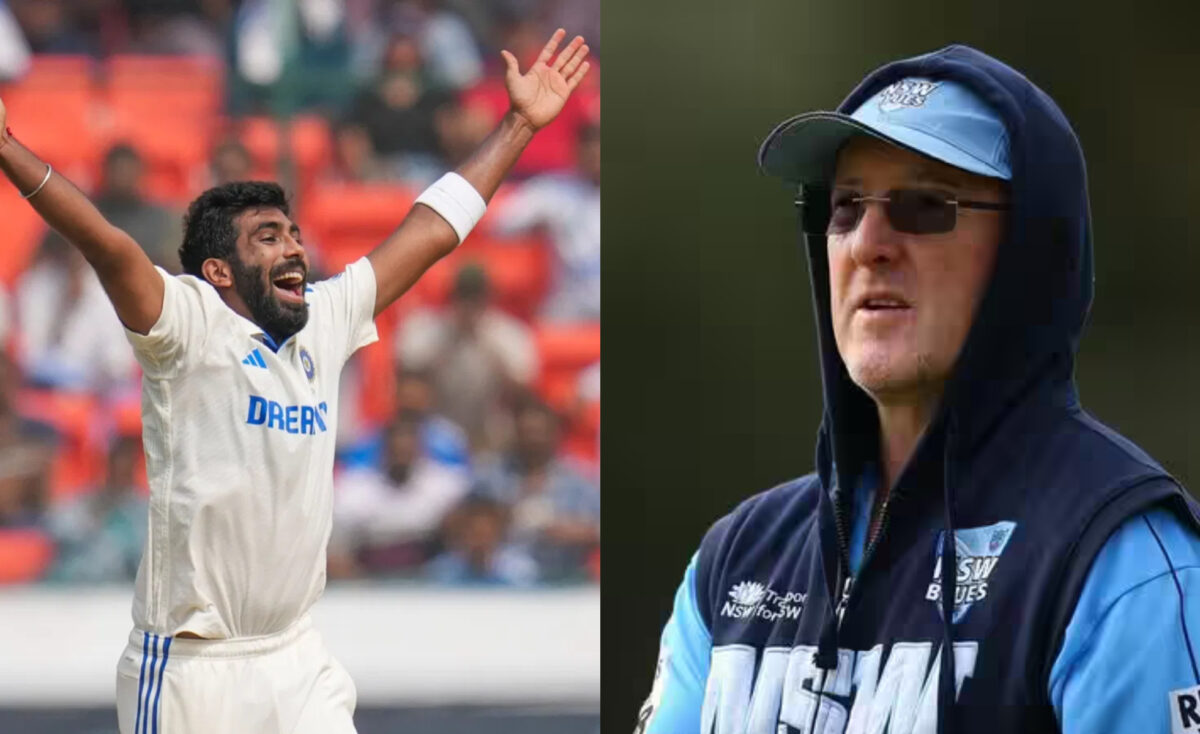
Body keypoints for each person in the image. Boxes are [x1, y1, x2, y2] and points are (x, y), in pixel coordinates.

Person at [0, 27, 589, 734]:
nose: (295, 249)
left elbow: (431, 230)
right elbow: (110, 246)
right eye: (269, 238)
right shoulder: (188, 326)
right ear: (219, 271)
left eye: (294, 233)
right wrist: (7, 147)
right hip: (193, 667)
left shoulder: (326, 319)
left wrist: (520, 125)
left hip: (297, 658)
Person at [637, 46, 1200, 734]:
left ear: (1031, 248)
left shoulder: (1119, 557)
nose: (867, 242)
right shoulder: (735, 565)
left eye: (925, 205)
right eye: (845, 207)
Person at [396, 262, 538, 452]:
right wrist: (449, 342)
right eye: (464, 297)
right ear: (452, 297)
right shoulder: (426, 328)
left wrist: (484, 343)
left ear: (488, 299)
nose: (469, 305)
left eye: (476, 298)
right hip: (435, 433)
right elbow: (407, 377)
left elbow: (524, 391)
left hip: (489, 434)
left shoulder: (509, 334)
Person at [328, 410, 468, 578]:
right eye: (397, 451)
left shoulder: (444, 485)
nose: (402, 457)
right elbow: (340, 550)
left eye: (407, 451)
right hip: (370, 576)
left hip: (430, 575)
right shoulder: (356, 489)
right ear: (384, 451)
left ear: (419, 450)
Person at [474, 395, 599, 581]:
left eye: (539, 432)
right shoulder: (490, 475)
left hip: (562, 579)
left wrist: (574, 531)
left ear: (555, 434)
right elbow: (462, 523)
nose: (533, 439)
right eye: (526, 432)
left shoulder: (581, 480)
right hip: (498, 580)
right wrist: (504, 518)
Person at [490, 120, 600, 322]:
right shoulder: (553, 190)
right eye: (590, 146)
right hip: (569, 303)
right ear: (577, 151)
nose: (596, 154)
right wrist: (536, 225)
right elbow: (500, 224)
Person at [46, 435, 146, 583]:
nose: (121, 471)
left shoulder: (145, 509)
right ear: (106, 466)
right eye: (116, 463)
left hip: (122, 588)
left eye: (127, 464)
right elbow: (57, 530)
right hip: (78, 585)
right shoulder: (82, 502)